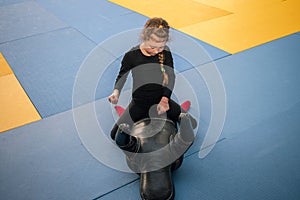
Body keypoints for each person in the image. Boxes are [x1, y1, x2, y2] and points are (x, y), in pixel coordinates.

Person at [108, 17, 196, 141]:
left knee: (192, 124)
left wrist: (165, 100)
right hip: (139, 103)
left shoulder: (165, 52)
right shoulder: (131, 56)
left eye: (160, 47)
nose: (156, 51)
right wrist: (116, 93)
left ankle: (169, 118)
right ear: (144, 37)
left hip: (161, 101)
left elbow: (170, 77)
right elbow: (122, 76)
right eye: (153, 47)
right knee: (114, 135)